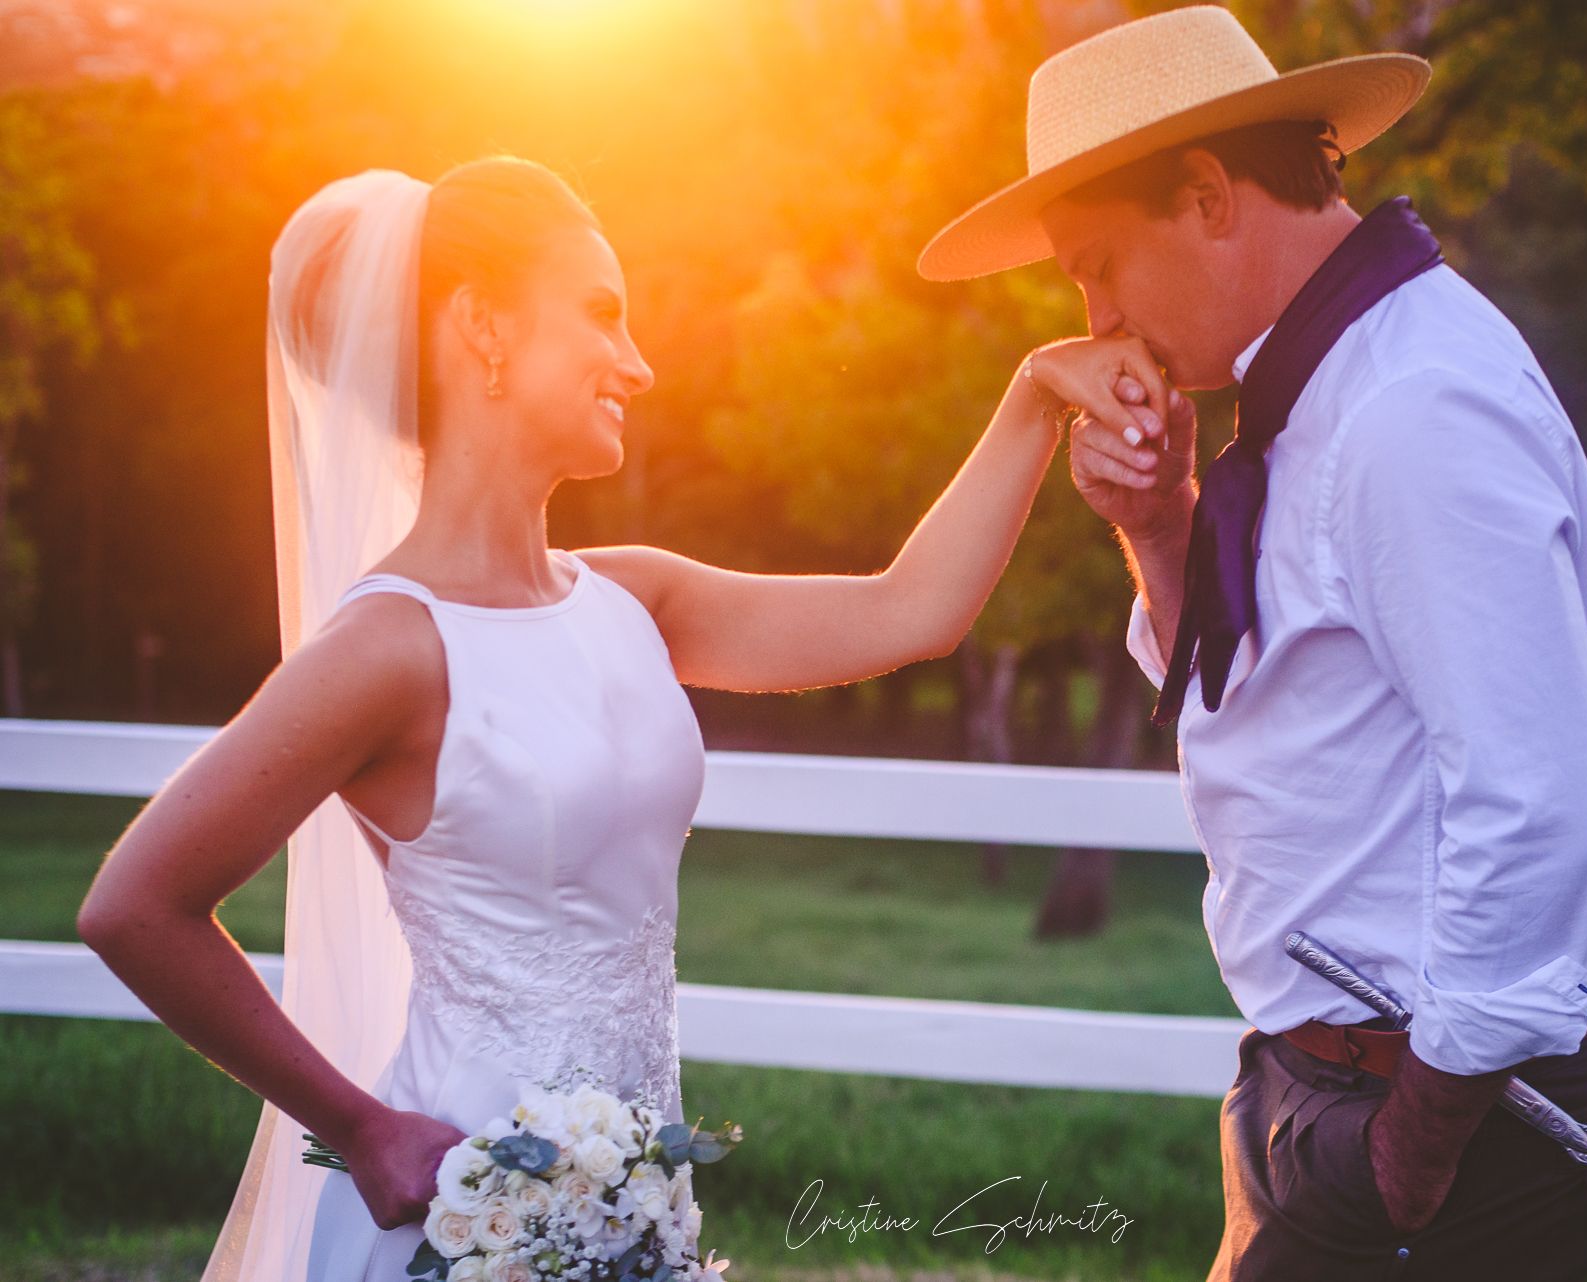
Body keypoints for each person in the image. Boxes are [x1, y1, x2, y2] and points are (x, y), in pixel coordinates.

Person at [75, 155, 1167, 1281]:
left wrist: (1039, 388)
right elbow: (134, 905)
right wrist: (358, 1124)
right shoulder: (386, 649)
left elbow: (912, 610)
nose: (638, 366)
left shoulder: (635, 597)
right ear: (485, 328)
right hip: (464, 1221)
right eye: (602, 315)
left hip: (639, 1197)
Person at [919, 7, 1587, 1279]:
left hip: (1450, 1116)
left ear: (1207, 196)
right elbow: (1269, 701)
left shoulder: (1411, 409)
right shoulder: (1315, 391)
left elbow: (1541, 810)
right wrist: (1161, 525)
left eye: (1096, 263)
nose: (1095, 314)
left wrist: (1407, 1155)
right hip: (1322, 1078)